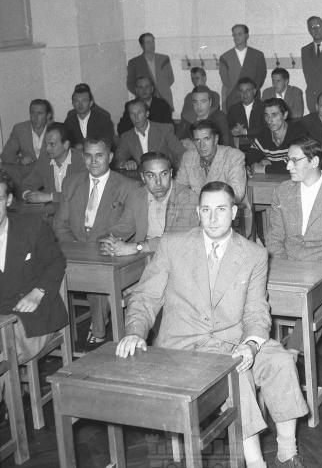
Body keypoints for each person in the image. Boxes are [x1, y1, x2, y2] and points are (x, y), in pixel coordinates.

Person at [117, 181, 308, 468]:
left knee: (280, 360)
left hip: (234, 339)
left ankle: (287, 452)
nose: (213, 218)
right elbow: (146, 297)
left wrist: (250, 345)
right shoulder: (173, 245)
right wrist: (135, 332)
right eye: (206, 210)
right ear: (198, 212)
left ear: (234, 212)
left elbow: (256, 311)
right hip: (184, 346)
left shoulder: (253, 254)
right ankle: (256, 463)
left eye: (221, 209)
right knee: (236, 374)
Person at [266, 136, 322, 351]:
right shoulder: (282, 192)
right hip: (288, 265)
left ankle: (293, 354)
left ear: (314, 161)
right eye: (288, 160)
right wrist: (285, 267)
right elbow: (274, 238)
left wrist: (318, 274)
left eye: (294, 160)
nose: (288, 166)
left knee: (315, 300)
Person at [53, 138, 136, 349]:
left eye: (99, 155)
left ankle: (98, 329)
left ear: (110, 157)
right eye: (88, 156)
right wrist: (76, 248)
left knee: (97, 269)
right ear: (83, 158)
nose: (93, 161)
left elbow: (127, 227)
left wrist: (99, 247)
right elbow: (60, 224)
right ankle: (56, 334)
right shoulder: (71, 182)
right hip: (74, 249)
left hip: (108, 250)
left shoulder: (127, 186)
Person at [0, 170, 68, 400]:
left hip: (33, 315)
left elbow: (57, 263)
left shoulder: (32, 226)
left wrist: (38, 292)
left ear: (9, 200)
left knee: (2, 350)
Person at [100, 152, 199, 255]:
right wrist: (110, 242)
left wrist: (136, 247)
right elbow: (123, 228)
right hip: (145, 256)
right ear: (143, 177)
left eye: (164, 174)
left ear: (171, 173)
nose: (158, 182)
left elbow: (178, 239)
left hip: (177, 257)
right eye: (151, 176)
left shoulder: (188, 198)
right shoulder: (137, 196)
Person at [21, 122, 85, 209]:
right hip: (52, 213)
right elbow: (27, 184)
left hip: (77, 211)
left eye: (52, 144)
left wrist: (50, 197)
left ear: (66, 145)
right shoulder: (45, 160)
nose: (47, 149)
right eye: (46, 144)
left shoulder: (81, 160)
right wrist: (28, 195)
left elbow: (80, 193)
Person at [114, 99, 184, 170]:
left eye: (139, 113)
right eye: (132, 114)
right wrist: (125, 163)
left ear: (147, 114)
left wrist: (176, 171)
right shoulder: (127, 137)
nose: (136, 117)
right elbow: (118, 159)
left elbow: (181, 152)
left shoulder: (164, 130)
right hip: (141, 175)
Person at [245, 98, 304, 174]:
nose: (269, 120)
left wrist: (264, 169)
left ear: (285, 115)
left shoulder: (298, 133)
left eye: (274, 115)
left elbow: (299, 166)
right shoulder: (264, 135)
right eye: (266, 115)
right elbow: (248, 160)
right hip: (274, 180)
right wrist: (250, 166)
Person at [219, 24, 267, 110]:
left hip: (253, 98)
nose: (236, 37)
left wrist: (250, 93)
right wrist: (238, 93)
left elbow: (260, 77)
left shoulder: (258, 55)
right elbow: (225, 81)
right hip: (233, 100)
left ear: (247, 36)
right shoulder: (224, 57)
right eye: (234, 35)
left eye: (240, 34)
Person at [126, 32, 175, 111]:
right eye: (148, 42)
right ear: (142, 45)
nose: (151, 44)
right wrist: (142, 93)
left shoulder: (164, 59)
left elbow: (171, 78)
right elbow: (130, 84)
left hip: (164, 99)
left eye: (153, 41)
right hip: (144, 102)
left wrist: (161, 88)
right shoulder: (134, 62)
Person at [0, 98, 53, 166]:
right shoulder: (20, 130)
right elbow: (5, 156)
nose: (35, 117)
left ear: (48, 116)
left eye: (40, 113)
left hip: (51, 170)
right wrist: (20, 161)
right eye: (32, 113)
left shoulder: (56, 130)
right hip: (29, 171)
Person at [63, 83, 115, 148]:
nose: (80, 105)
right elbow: (65, 141)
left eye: (84, 101)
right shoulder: (70, 118)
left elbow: (108, 142)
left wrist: (86, 146)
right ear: (73, 104)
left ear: (91, 103)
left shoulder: (102, 118)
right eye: (77, 101)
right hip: (77, 153)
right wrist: (75, 146)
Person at [227, 77, 264, 149]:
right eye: (241, 91)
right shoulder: (233, 109)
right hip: (239, 146)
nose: (245, 94)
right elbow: (227, 127)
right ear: (238, 93)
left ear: (254, 91)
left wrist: (245, 131)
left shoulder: (263, 107)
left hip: (261, 145)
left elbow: (266, 128)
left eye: (248, 90)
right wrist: (232, 131)